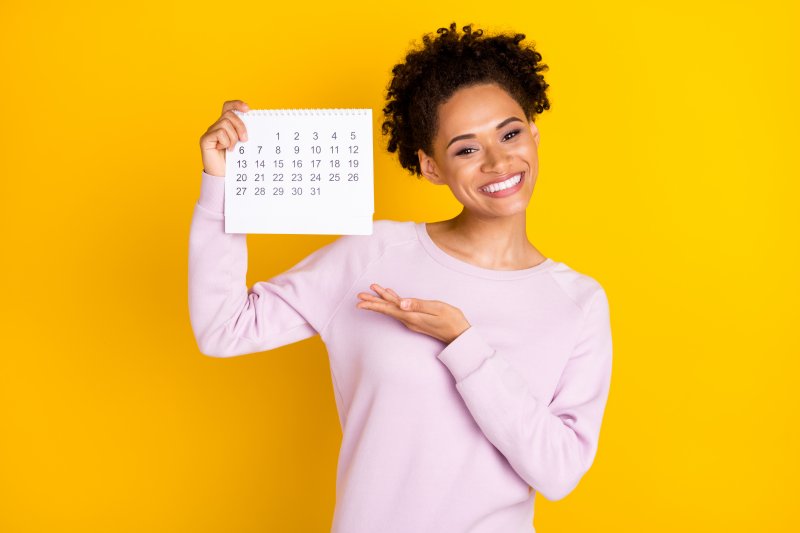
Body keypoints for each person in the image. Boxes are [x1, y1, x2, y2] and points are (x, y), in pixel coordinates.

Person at [189, 22, 613, 533]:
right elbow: (224, 328)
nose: (499, 160)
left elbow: (559, 471)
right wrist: (221, 183)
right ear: (431, 167)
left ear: (533, 134)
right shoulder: (375, 254)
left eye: (509, 132)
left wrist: (463, 343)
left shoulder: (577, 302)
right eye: (466, 149)